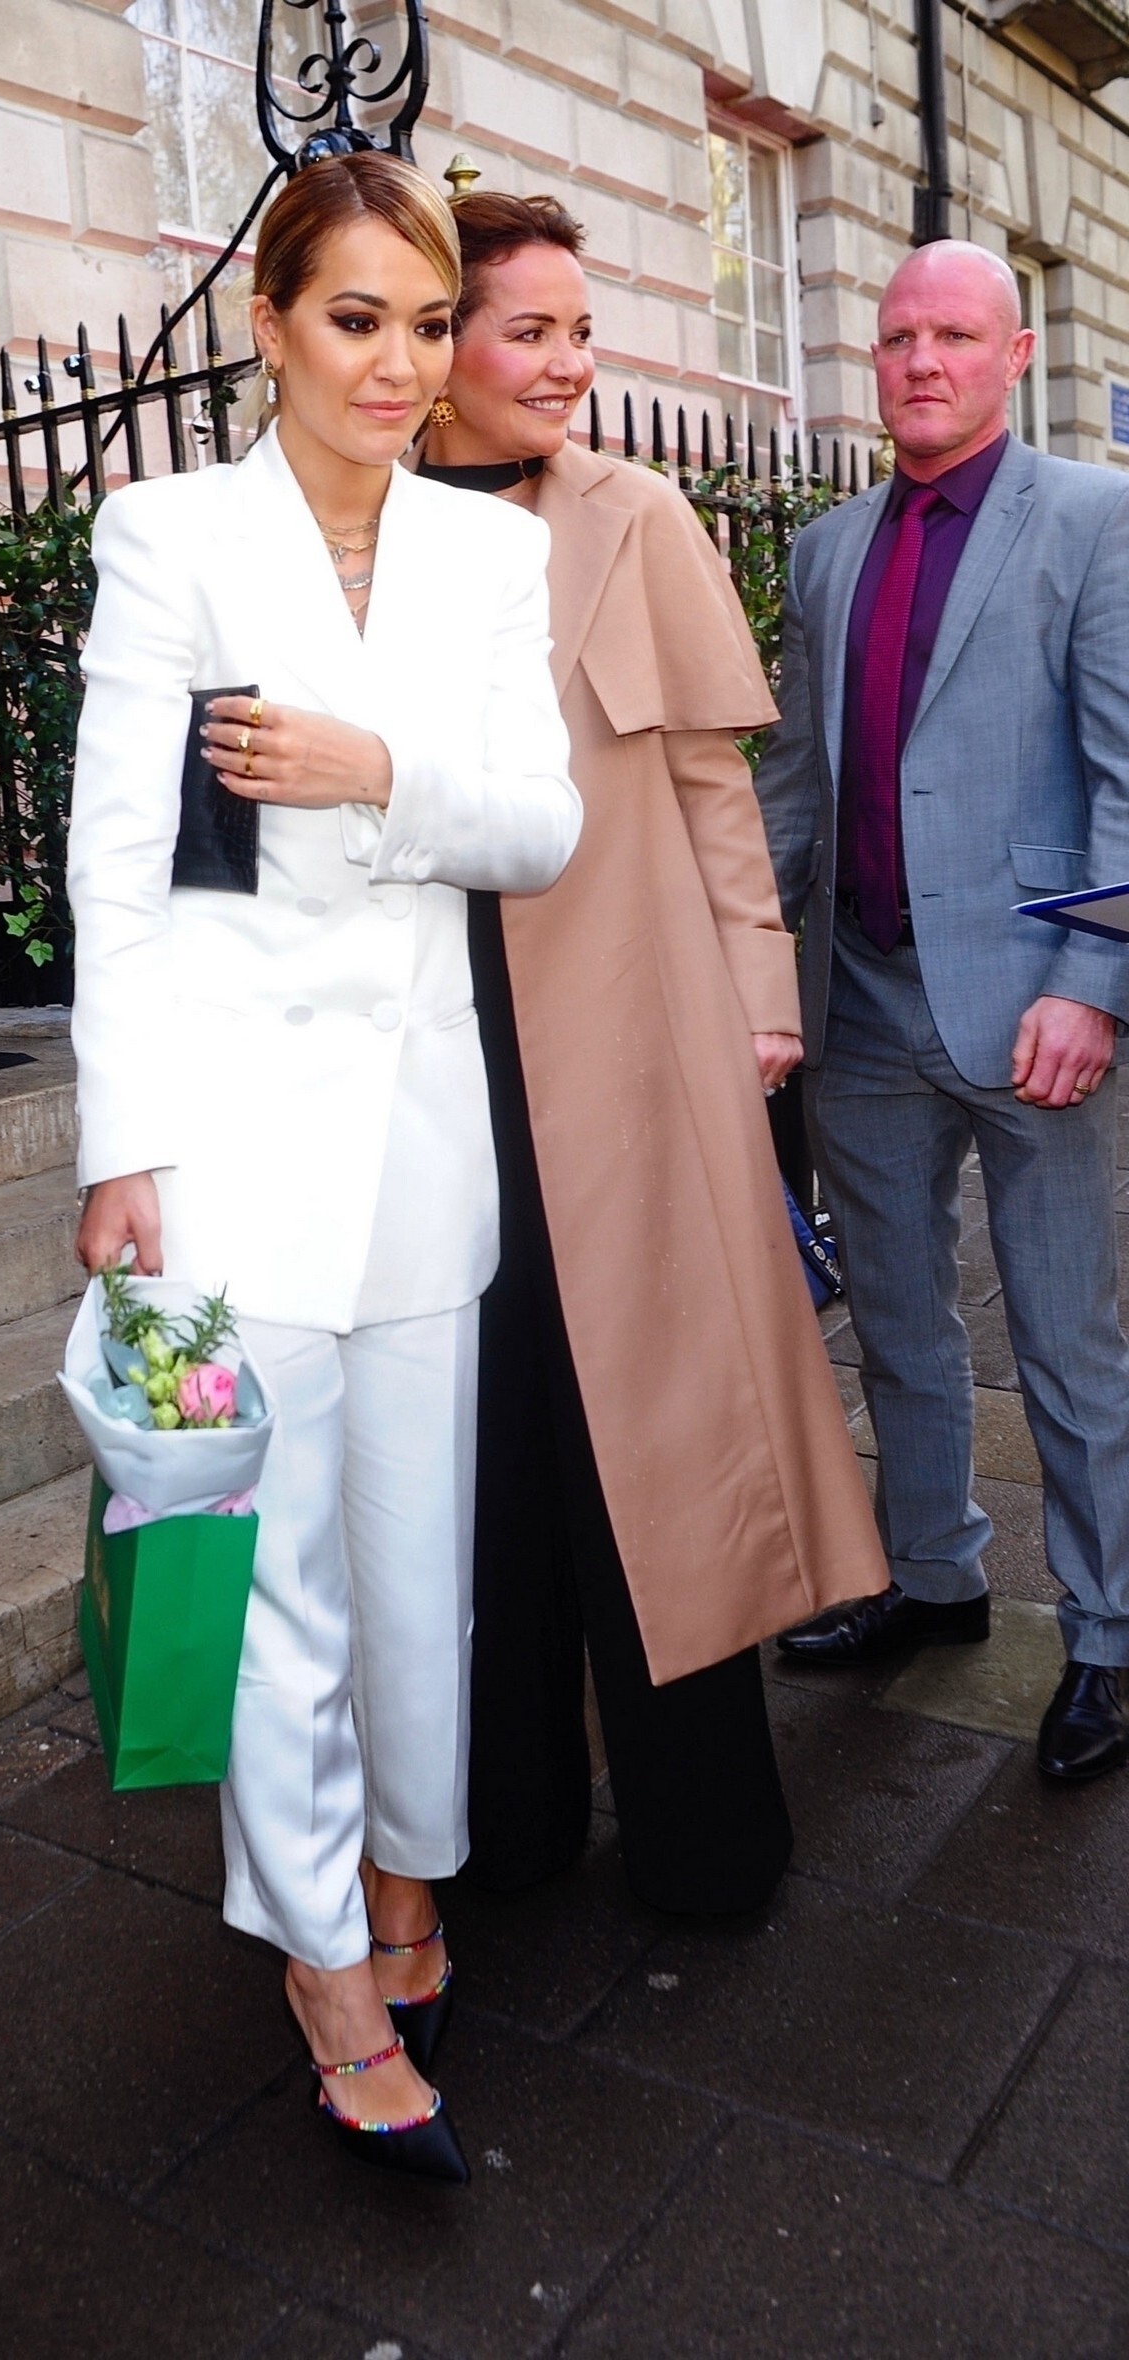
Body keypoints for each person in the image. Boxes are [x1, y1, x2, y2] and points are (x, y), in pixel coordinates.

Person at [68, 151, 580, 2183]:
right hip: (227, 1145)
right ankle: (321, 1965)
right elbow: (121, 861)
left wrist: (377, 773)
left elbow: (539, 825)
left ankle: (403, 1865)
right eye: (356, 317)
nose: (399, 363)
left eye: (428, 323)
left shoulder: (490, 556)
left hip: (421, 1147)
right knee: (270, 1583)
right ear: (269, 321)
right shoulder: (168, 534)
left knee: (412, 1567)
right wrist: (121, 1143)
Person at [418, 190, 888, 1911]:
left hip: (627, 1033)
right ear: (439, 344)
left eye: (581, 332)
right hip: (432, 1051)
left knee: (659, 1424)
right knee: (485, 1439)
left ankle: (705, 1837)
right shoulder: (347, 523)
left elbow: (712, 788)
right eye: (527, 331)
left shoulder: (638, 513)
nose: (568, 365)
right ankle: (508, 1824)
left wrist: (761, 999)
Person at [756, 240, 1129, 1784]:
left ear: (1014, 355)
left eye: (956, 336)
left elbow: (1126, 777)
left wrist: (1092, 985)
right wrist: (745, 967)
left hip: (1037, 1009)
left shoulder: (1096, 521)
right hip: (859, 999)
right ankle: (933, 1576)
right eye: (901, 335)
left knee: (1067, 1339)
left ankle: (1107, 1635)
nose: (922, 360)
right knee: (900, 1323)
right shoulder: (825, 550)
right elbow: (796, 780)